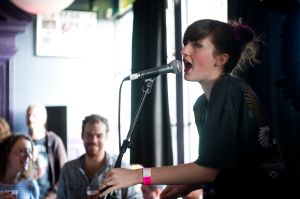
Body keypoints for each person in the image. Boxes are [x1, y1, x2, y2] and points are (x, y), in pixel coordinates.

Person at [98, 19, 288, 199]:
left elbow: (208, 170)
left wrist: (137, 176)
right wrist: (189, 184)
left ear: (221, 59)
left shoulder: (227, 88)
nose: (183, 50)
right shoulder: (201, 104)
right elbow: (216, 167)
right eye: (185, 43)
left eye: (196, 45)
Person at [56, 114, 142, 199]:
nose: (93, 140)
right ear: (82, 135)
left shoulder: (122, 168)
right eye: (89, 135)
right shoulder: (68, 170)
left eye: (99, 136)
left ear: (106, 137)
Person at [26, 102, 67, 199]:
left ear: (43, 118)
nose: (30, 118)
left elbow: (64, 173)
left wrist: (52, 195)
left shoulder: (55, 141)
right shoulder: (22, 142)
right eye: (28, 115)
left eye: (34, 115)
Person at [0, 134, 40, 198]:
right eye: (22, 151)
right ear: (7, 154)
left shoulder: (31, 185)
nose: (28, 156)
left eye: (30, 152)